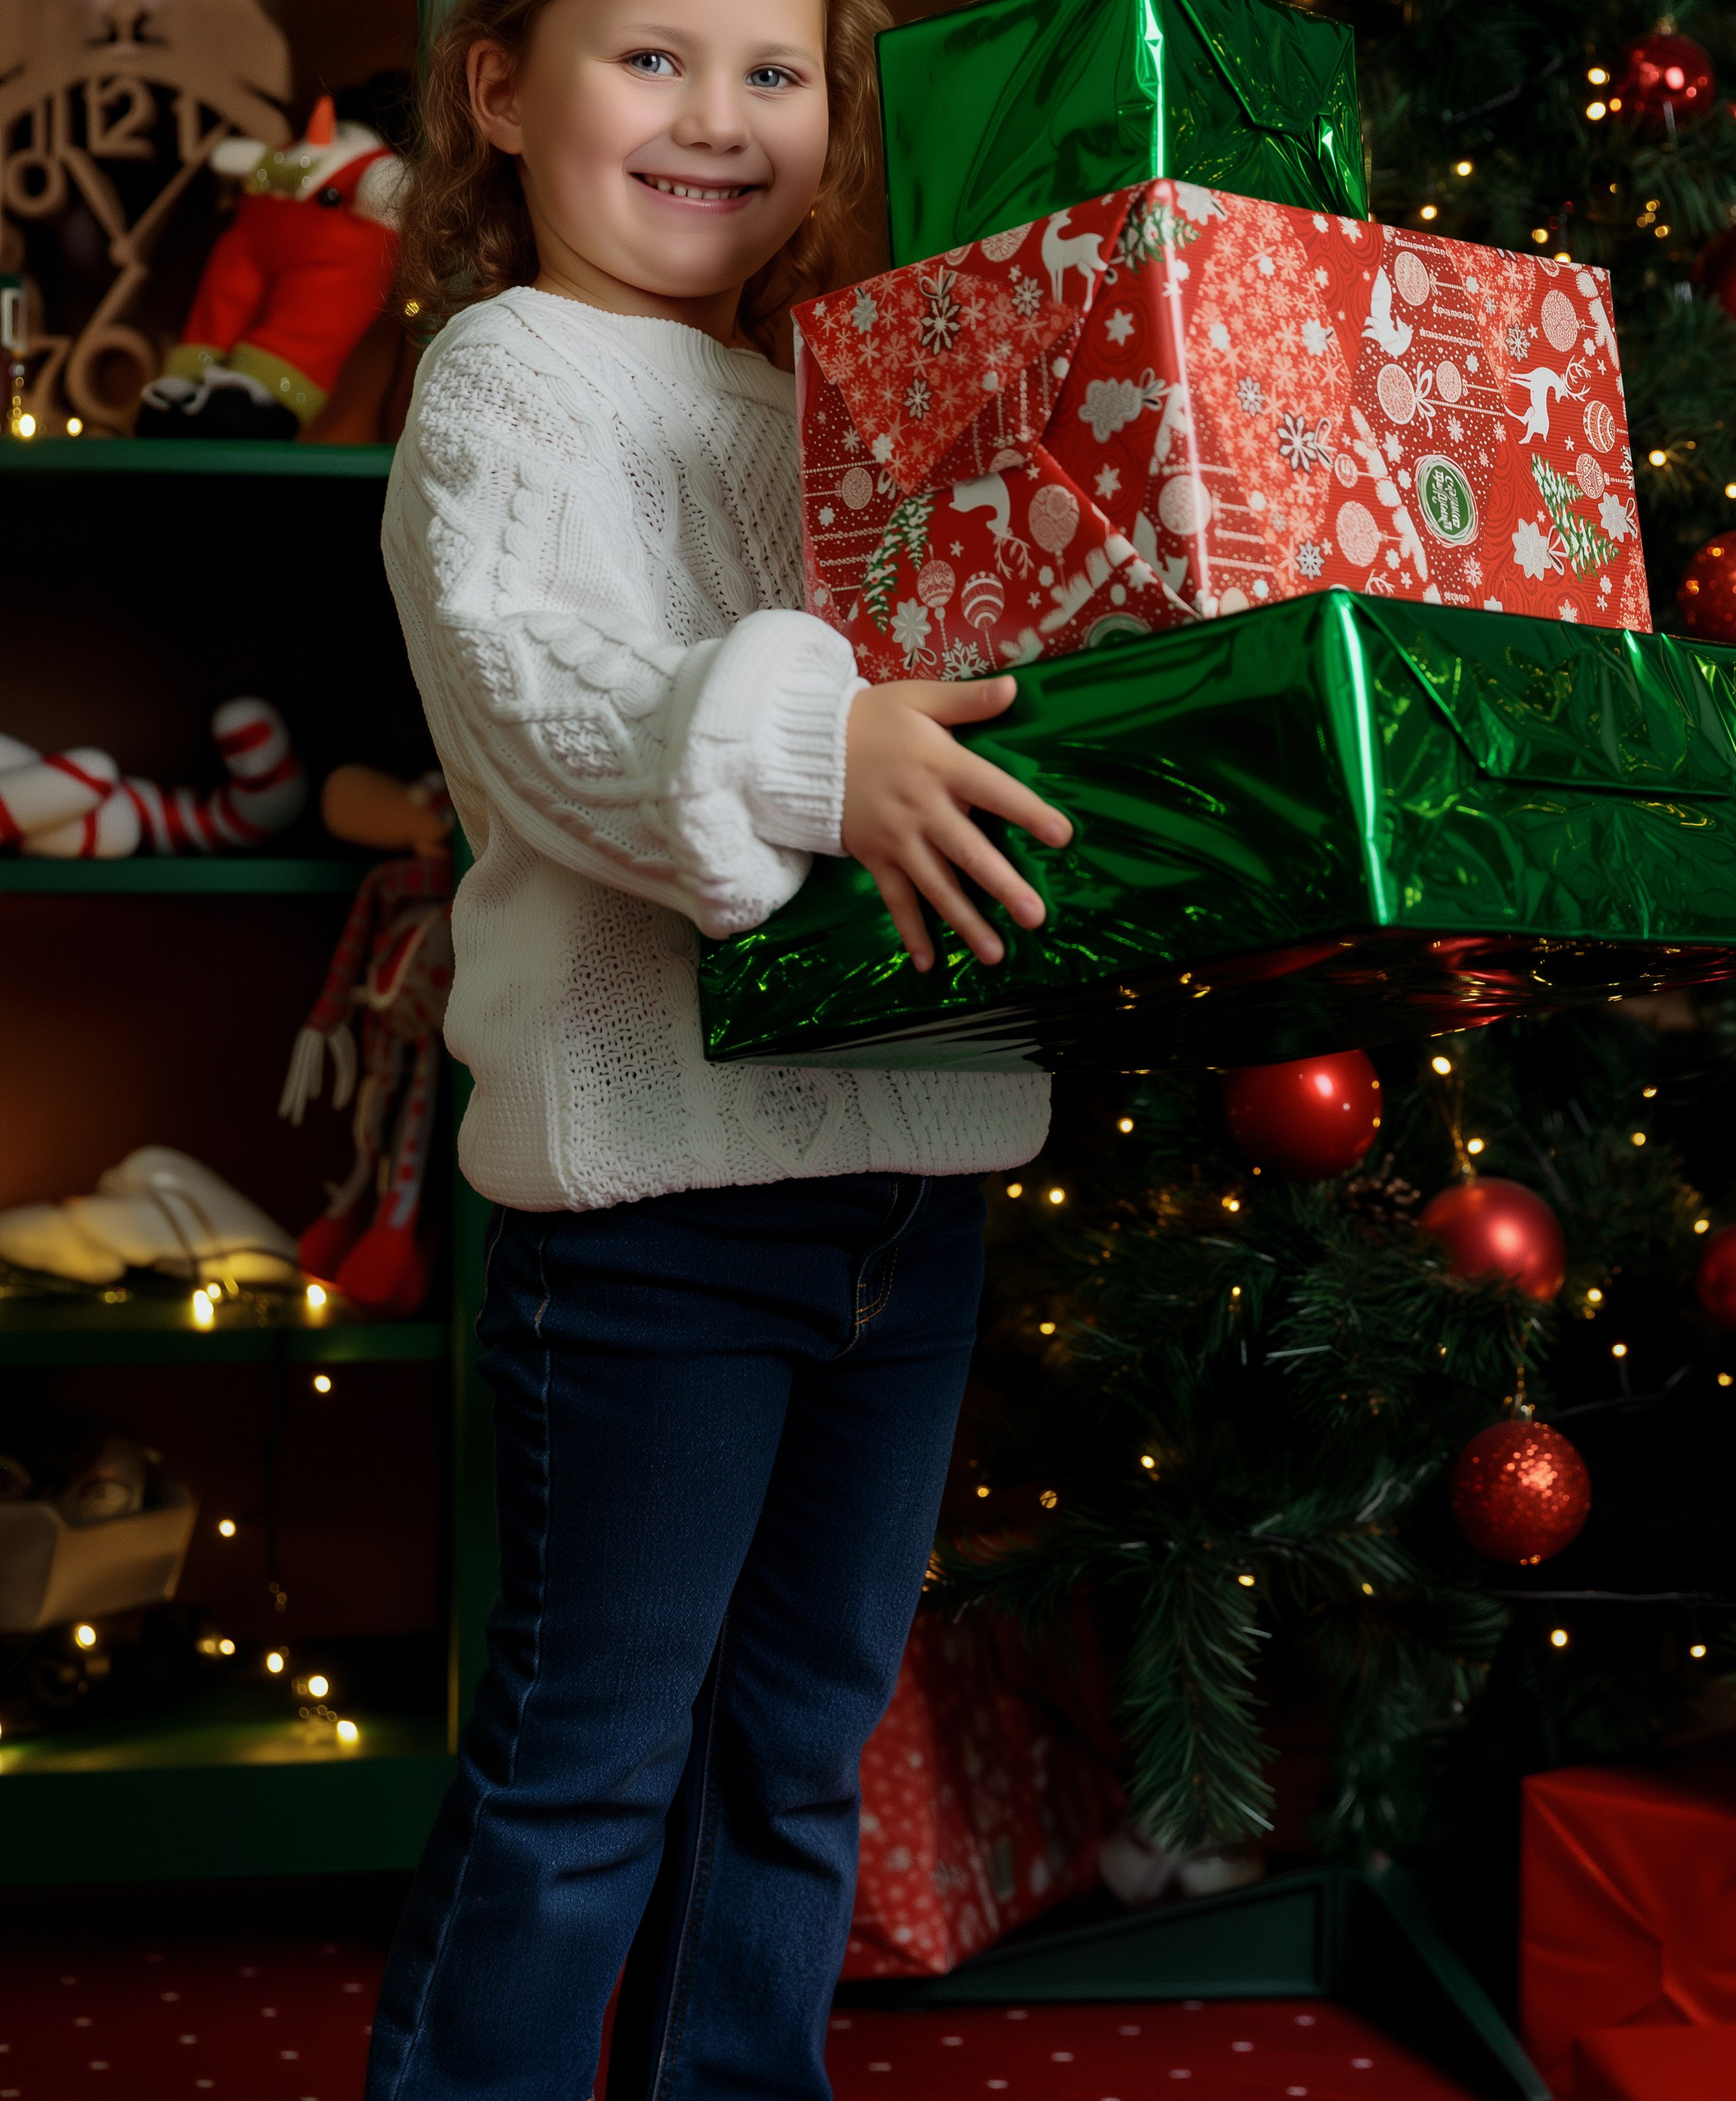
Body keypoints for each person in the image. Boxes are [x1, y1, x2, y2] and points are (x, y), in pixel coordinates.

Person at [363, 2, 1069, 2095]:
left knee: (795, 1750)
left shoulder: (834, 396)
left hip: (910, 1170)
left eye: (772, 74)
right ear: (498, 90)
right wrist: (801, 740)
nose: (715, 121)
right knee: (585, 1765)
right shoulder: (501, 376)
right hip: (660, 1205)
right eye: (649, 58)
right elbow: (538, 698)